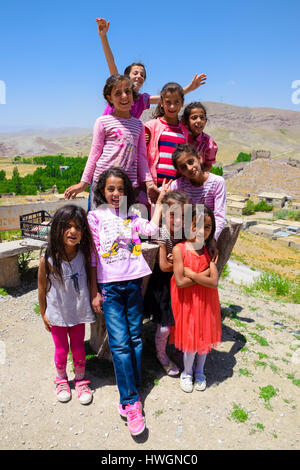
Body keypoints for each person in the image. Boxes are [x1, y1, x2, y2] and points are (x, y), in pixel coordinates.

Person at [87, 168, 171, 436]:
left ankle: (131, 386)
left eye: (121, 189)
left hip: (134, 283)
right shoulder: (95, 217)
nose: (116, 194)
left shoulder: (132, 215)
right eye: (111, 189)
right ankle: (130, 401)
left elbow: (152, 229)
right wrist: (94, 290)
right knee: (120, 343)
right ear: (102, 190)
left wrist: (158, 203)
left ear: (127, 192)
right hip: (110, 288)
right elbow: (92, 257)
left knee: (134, 339)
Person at [64, 74, 158, 208]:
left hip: (126, 186)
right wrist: (83, 183)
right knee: (99, 224)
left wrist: (149, 183)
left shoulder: (139, 125)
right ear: (110, 98)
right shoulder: (103, 122)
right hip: (103, 185)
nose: (124, 96)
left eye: (127, 91)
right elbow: (94, 154)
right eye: (118, 93)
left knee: (122, 225)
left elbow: (141, 157)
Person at [38, 205, 96, 405]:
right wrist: (44, 313)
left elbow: (92, 279)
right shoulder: (48, 259)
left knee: (79, 347)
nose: (73, 231)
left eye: (78, 227)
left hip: (78, 313)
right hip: (58, 314)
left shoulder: (85, 256)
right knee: (61, 349)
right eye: (68, 226)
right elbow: (41, 287)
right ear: (58, 229)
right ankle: (62, 379)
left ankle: (80, 380)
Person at [96, 18, 206, 118]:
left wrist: (190, 87)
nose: (139, 76)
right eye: (135, 73)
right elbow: (110, 61)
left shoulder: (142, 100)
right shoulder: (118, 87)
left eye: (142, 75)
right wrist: (103, 36)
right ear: (126, 77)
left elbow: (168, 97)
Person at [169, 204, 221, 392]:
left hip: (206, 301)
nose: (201, 231)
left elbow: (214, 282)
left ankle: (200, 371)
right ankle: (188, 372)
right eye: (197, 225)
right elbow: (181, 282)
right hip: (188, 303)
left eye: (207, 227)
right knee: (191, 338)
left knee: (204, 337)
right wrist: (202, 276)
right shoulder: (179, 249)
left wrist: (192, 273)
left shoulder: (208, 250)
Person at [143, 190, 190, 376]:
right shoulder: (161, 233)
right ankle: (161, 355)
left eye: (183, 215)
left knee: (178, 321)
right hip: (161, 285)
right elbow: (163, 265)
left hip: (178, 283)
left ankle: (173, 347)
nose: (178, 220)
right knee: (164, 325)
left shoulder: (185, 233)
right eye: (173, 215)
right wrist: (180, 262)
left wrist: (177, 261)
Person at [170, 143, 226, 252]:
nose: (190, 168)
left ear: (199, 158)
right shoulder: (178, 185)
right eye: (183, 167)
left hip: (207, 234)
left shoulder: (217, 182)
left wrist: (212, 240)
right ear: (179, 171)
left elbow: (219, 216)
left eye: (191, 162)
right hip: (186, 236)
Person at [144, 82, 190, 190]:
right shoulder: (151, 126)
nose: (172, 106)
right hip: (153, 185)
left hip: (176, 186)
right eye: (168, 102)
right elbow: (142, 154)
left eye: (176, 102)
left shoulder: (185, 130)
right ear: (161, 102)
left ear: (182, 102)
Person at [181, 102, 218, 172]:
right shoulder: (180, 137)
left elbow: (208, 165)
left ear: (206, 121)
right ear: (186, 121)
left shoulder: (209, 143)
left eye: (202, 117)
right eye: (194, 118)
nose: (199, 120)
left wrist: (196, 177)